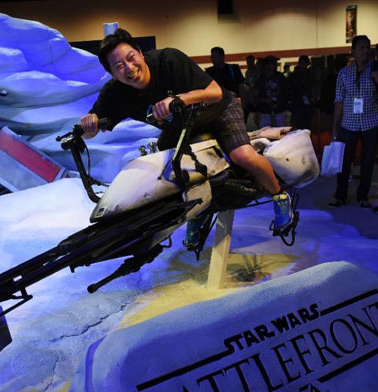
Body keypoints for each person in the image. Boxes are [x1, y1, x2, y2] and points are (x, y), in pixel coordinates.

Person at [79, 29, 294, 247]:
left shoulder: (168, 60)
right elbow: (92, 128)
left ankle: (280, 197)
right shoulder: (115, 93)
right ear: (113, 74)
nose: (129, 68)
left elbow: (216, 92)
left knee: (242, 155)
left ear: (140, 53)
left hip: (218, 110)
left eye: (130, 58)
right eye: (119, 66)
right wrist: (89, 122)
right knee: (170, 174)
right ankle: (197, 212)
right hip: (183, 126)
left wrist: (180, 99)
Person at [329, 35, 378, 209]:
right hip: (348, 124)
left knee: (367, 161)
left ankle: (362, 196)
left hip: (370, 123)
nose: (365, 51)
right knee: (344, 162)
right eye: (361, 48)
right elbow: (339, 101)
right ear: (353, 51)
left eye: (367, 47)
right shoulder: (344, 73)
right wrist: (335, 127)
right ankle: (340, 195)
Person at [253, 55, 287, 128]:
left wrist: (285, 105)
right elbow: (255, 95)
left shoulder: (280, 76)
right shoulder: (261, 78)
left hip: (279, 109)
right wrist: (264, 101)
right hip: (264, 110)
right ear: (265, 65)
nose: (271, 66)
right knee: (265, 133)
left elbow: (285, 92)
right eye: (269, 64)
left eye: (273, 63)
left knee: (281, 132)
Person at [289, 55, 316, 130]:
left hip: (305, 105)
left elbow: (313, 88)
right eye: (302, 63)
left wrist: (314, 101)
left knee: (306, 126)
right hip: (297, 104)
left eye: (304, 63)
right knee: (299, 126)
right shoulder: (294, 76)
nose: (303, 65)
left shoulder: (310, 75)